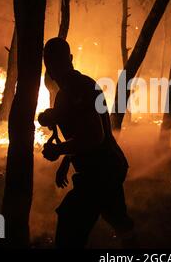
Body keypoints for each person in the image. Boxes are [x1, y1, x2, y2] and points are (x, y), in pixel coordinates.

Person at [39, 37, 134, 248]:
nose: (53, 68)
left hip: (100, 173)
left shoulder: (80, 88)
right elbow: (80, 133)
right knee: (119, 220)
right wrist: (66, 161)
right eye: (50, 63)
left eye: (57, 62)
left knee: (69, 225)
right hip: (109, 167)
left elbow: (94, 137)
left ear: (70, 59)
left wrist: (59, 150)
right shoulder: (72, 91)